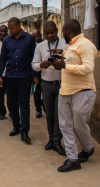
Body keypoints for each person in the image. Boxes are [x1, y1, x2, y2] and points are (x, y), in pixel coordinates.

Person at [50, 19, 97, 172]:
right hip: (66, 91)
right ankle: (73, 159)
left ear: (68, 31)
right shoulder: (72, 46)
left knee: (79, 125)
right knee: (65, 125)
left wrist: (64, 65)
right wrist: (62, 54)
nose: (62, 35)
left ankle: (87, 149)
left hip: (82, 91)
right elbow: (73, 59)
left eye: (63, 32)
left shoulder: (85, 45)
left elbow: (88, 68)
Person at [0, 17, 37, 143]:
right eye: (9, 28)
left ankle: (25, 131)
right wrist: (0, 75)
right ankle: (16, 126)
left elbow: (34, 58)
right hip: (10, 76)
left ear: (19, 26)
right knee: (11, 103)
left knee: (24, 104)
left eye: (12, 28)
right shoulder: (7, 40)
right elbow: (3, 58)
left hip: (24, 76)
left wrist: (34, 75)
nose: (10, 31)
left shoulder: (29, 39)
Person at [32, 21, 67, 156]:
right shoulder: (40, 46)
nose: (50, 35)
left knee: (59, 115)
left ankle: (57, 142)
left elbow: (70, 61)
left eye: (52, 32)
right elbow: (34, 65)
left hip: (61, 84)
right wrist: (42, 64)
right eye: (46, 33)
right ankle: (51, 139)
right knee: (49, 115)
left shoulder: (65, 44)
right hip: (46, 84)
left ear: (57, 30)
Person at [32, 29, 43, 118]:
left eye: (38, 36)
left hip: (47, 73)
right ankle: (38, 109)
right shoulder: (32, 47)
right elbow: (32, 62)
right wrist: (34, 76)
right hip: (37, 74)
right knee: (37, 93)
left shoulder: (46, 44)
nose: (36, 38)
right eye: (34, 37)